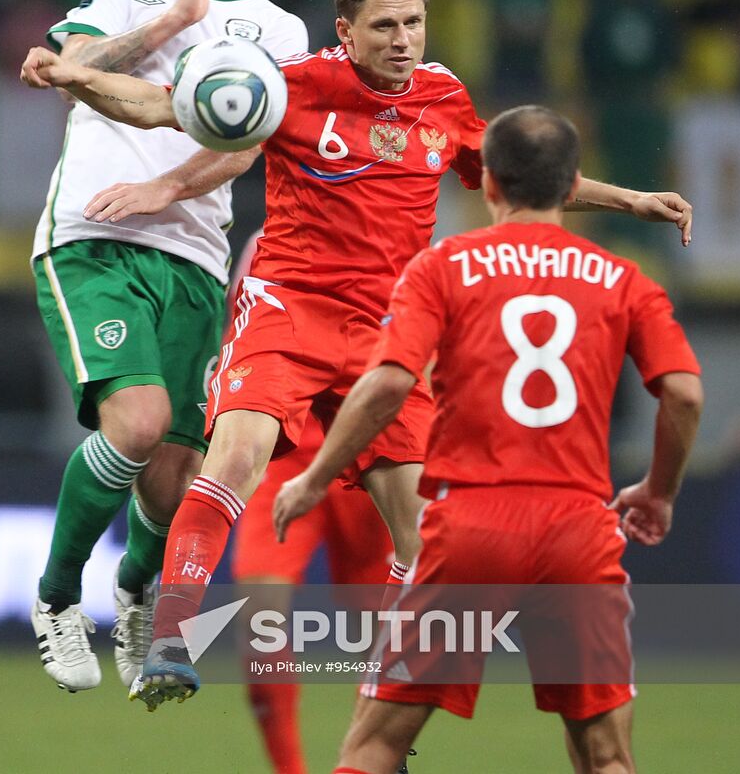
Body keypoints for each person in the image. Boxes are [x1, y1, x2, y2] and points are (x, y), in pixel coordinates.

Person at [21, 0, 694, 717]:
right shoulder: (294, 87)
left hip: (387, 333)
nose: (404, 39)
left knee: (421, 529)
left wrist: (632, 199)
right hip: (289, 309)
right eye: (385, 26)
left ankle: (391, 706)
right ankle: (173, 637)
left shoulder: (443, 98)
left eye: (414, 22)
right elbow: (156, 105)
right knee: (236, 454)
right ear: (346, 30)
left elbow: (525, 177)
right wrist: (76, 75)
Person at [273, 105, 703, 774]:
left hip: (467, 526)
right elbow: (683, 393)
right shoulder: (624, 279)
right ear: (569, 188)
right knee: (606, 755)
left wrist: (316, 477)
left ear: (490, 184)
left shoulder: (441, 268)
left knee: (375, 745)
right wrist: (659, 490)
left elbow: (388, 383)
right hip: (578, 530)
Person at [28, 0, 308, 694]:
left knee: (175, 474)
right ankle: (55, 597)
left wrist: (168, 190)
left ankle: (139, 590)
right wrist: (173, 23)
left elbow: (250, 149)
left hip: (192, 255)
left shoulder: (281, 31)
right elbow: (68, 67)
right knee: (140, 421)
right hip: (92, 236)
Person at [230, 231, 393, 774]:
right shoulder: (262, 245)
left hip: (368, 447)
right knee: (260, 622)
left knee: (384, 633)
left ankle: (367, 761)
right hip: (285, 454)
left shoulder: (392, 231)